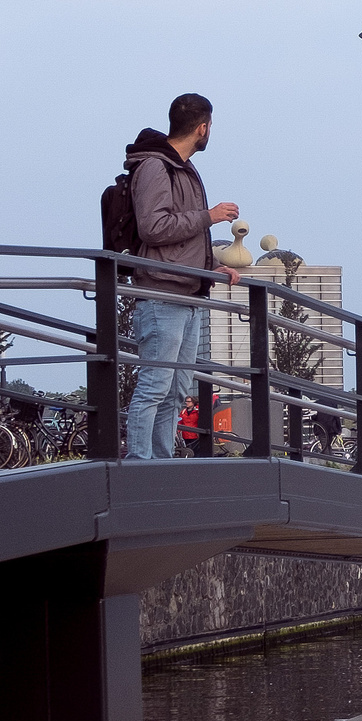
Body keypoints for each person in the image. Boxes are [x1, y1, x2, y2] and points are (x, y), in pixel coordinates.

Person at [122, 93, 239, 460]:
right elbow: (153, 227)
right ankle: (139, 465)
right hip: (161, 296)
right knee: (154, 388)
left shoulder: (183, 168)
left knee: (175, 392)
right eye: (210, 126)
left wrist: (210, 267)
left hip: (186, 296)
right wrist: (209, 216)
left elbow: (180, 238)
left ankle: (160, 465)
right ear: (202, 128)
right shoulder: (156, 167)